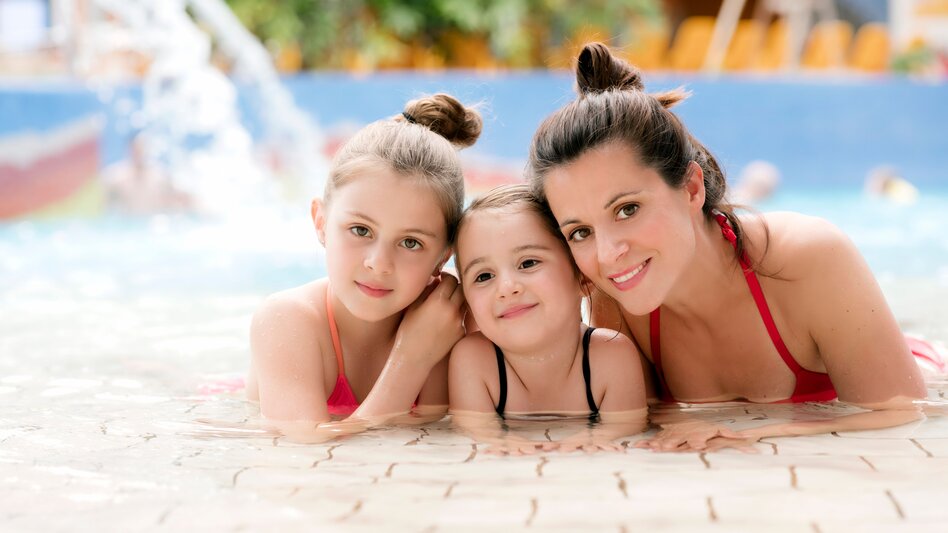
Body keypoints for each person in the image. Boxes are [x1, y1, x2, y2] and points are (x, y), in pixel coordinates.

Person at [526, 43, 942, 453]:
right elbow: (643, 422)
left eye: (627, 209)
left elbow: (900, 414)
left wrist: (751, 433)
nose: (607, 253)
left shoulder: (808, 257)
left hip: (919, 369)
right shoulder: (614, 296)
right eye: (580, 232)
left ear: (691, 188)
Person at [246, 94, 480, 441]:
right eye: (360, 230)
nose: (379, 264)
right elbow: (311, 455)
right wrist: (412, 359)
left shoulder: (442, 324)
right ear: (321, 221)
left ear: (443, 257)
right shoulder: (286, 320)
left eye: (411, 242)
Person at [449, 184, 647, 455]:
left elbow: (629, 427)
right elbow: (473, 432)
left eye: (528, 263)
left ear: (582, 276)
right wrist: (495, 440)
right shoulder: (474, 360)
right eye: (484, 276)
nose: (506, 287)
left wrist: (600, 436)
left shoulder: (611, 355)